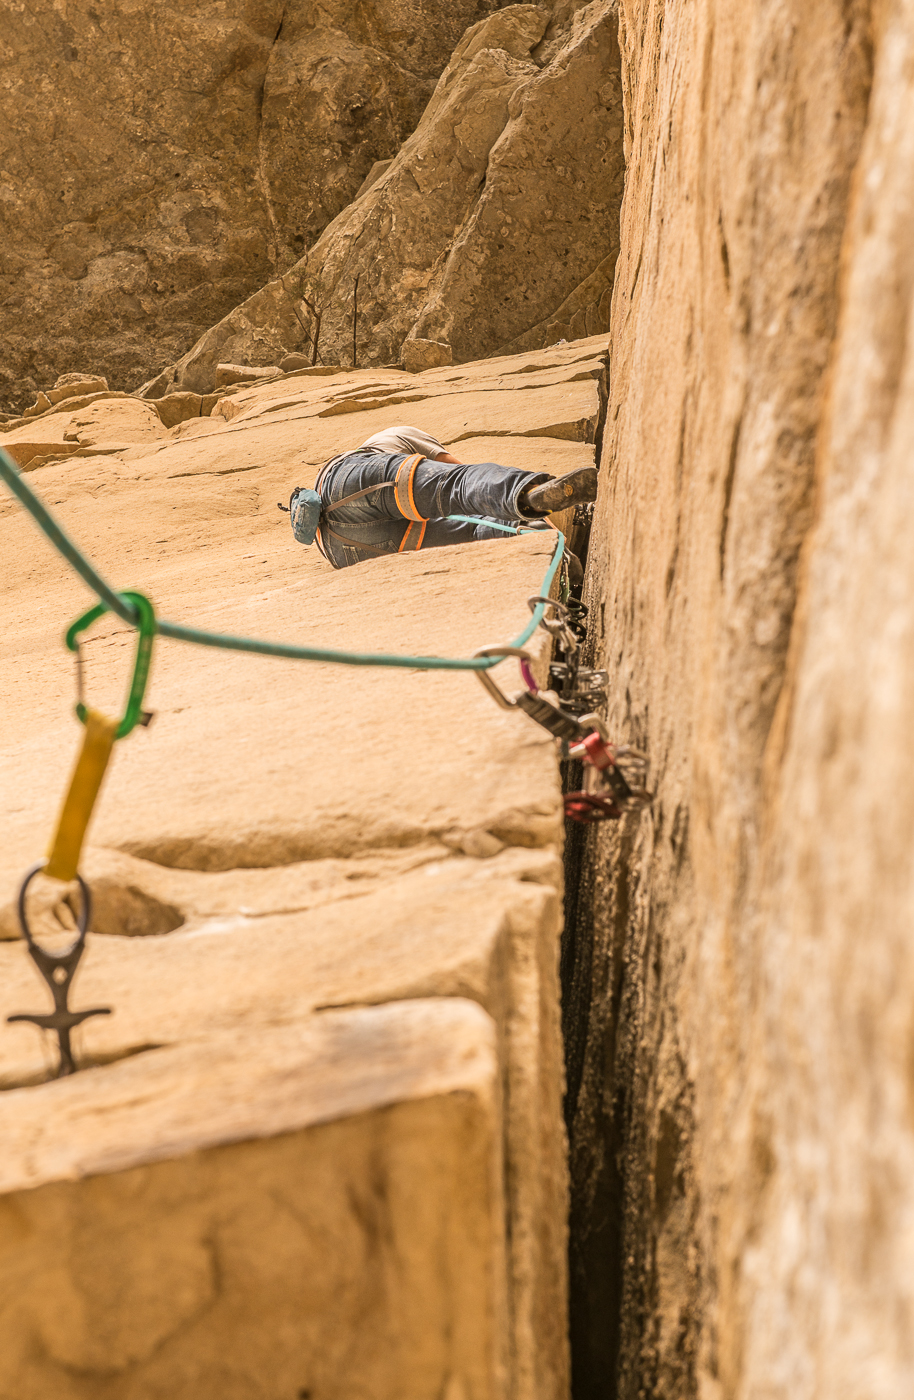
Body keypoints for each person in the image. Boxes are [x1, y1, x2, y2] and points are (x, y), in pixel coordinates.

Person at [293, 425, 598, 569]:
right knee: (458, 490)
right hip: (350, 482)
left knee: (470, 531)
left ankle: (544, 547)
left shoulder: (380, 445)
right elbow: (458, 475)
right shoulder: (402, 434)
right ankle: (530, 495)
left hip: (340, 549)